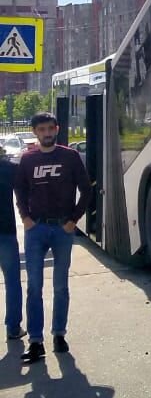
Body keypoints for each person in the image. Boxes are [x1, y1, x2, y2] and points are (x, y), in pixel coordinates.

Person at [13, 112, 91, 364]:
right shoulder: (28, 159)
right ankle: (35, 341)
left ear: (56, 129)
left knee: (60, 286)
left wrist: (74, 220)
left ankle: (59, 334)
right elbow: (20, 190)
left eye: (50, 128)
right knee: (34, 286)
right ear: (35, 132)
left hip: (62, 230)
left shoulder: (69, 156)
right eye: (41, 129)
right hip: (36, 230)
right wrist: (25, 218)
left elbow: (87, 190)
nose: (47, 133)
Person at [0, 143, 22, 340]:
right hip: (5, 231)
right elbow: (26, 192)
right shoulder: (9, 168)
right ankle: (13, 328)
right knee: (12, 281)